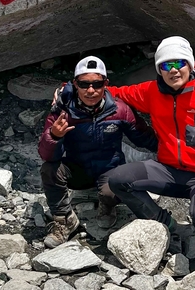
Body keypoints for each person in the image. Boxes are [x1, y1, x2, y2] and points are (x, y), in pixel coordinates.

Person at [106, 36, 195, 256]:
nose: (173, 70)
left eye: (179, 63)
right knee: (118, 179)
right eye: (166, 65)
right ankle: (166, 224)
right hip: (167, 170)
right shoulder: (152, 92)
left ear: (190, 65)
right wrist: (69, 88)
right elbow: (116, 92)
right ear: (159, 70)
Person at [39, 56, 157, 248]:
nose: (91, 90)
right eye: (84, 84)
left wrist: (175, 152)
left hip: (109, 170)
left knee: (115, 187)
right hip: (78, 170)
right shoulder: (62, 112)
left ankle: (107, 206)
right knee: (49, 169)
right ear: (75, 84)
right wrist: (55, 135)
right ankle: (64, 220)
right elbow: (47, 155)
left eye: (97, 83)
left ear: (106, 84)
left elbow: (145, 138)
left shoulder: (120, 111)